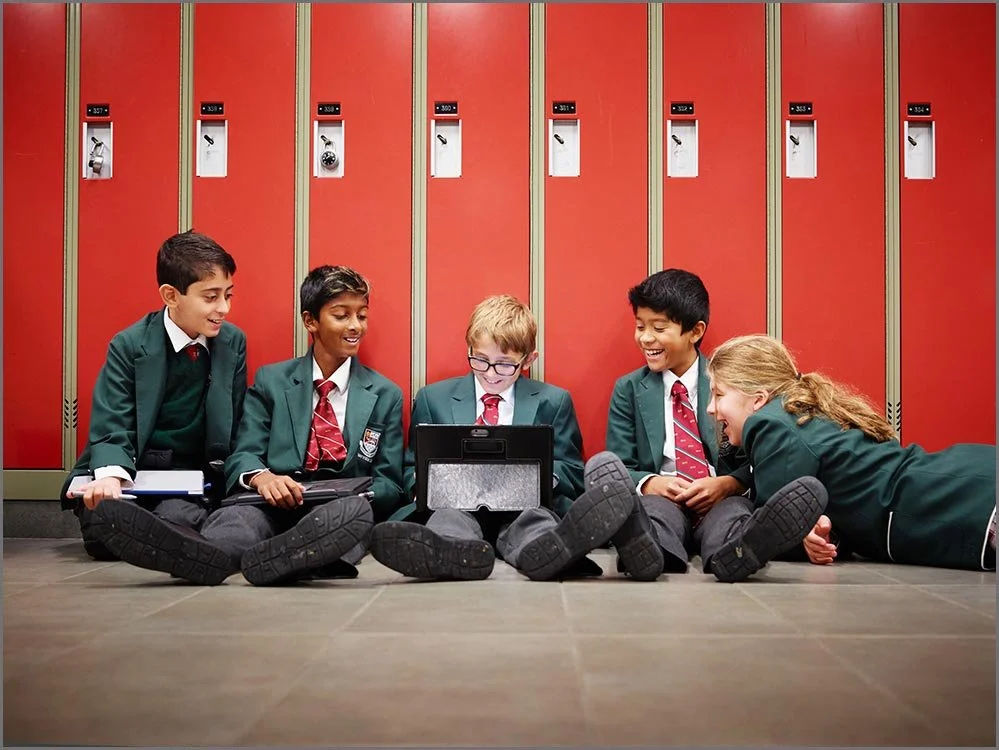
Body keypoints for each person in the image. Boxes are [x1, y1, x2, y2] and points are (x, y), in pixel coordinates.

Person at [92, 265, 406, 585]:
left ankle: (292, 556)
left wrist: (354, 495)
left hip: (338, 507)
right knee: (236, 519)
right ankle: (206, 557)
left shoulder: (385, 395)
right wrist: (262, 477)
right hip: (271, 502)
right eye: (342, 315)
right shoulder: (272, 381)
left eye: (362, 316)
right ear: (310, 321)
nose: (355, 326)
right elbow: (243, 452)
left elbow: (390, 484)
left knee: (349, 521)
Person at [369, 294, 635, 582]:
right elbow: (411, 467)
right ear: (469, 348)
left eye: (505, 364)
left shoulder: (553, 401)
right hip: (457, 504)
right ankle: (450, 552)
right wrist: (423, 487)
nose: (491, 374)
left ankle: (548, 551)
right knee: (448, 519)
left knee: (536, 521)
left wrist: (539, 479)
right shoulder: (434, 399)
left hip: (523, 505)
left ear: (528, 360)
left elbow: (570, 468)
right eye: (480, 360)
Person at [602, 270, 826, 582]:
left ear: (695, 331)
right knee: (654, 516)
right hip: (665, 497)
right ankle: (647, 554)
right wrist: (651, 483)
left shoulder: (729, 382)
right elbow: (620, 464)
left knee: (732, 517)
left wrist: (729, 484)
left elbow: (760, 453)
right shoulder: (628, 389)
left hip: (721, 496)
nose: (645, 337)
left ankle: (737, 554)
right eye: (640, 326)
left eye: (659, 327)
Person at [706, 334, 996, 572]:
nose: (710, 408)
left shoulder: (768, 422)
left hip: (956, 503)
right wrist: (821, 535)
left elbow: (772, 528)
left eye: (719, 394)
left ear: (758, 399)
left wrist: (800, 537)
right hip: (965, 482)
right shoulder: (800, 413)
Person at [61, 230, 246, 561]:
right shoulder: (129, 345)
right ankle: (173, 543)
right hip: (130, 473)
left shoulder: (232, 343)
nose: (224, 308)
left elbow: (234, 421)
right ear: (171, 295)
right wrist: (110, 479)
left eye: (228, 295)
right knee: (102, 513)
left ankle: (163, 540)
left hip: (187, 480)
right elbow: (111, 422)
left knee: (180, 515)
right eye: (211, 297)